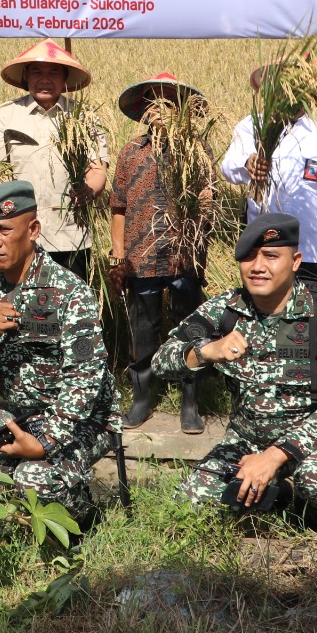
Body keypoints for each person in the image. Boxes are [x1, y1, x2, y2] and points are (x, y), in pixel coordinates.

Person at [154, 213, 317, 522]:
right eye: (249, 257)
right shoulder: (224, 310)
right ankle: (276, 492)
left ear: (295, 261)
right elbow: (160, 362)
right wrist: (205, 352)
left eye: (270, 256)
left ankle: (308, 508)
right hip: (245, 442)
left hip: (313, 447)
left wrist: (274, 457)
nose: (258, 267)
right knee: (188, 506)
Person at [0, 182, 119, 526]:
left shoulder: (67, 290)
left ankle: (83, 518)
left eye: (4, 230)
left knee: (34, 478)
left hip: (87, 419)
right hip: (21, 411)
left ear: (33, 230)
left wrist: (43, 443)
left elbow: (85, 380)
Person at [109, 72, 211, 432]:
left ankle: (189, 400)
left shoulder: (198, 151)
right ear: (144, 112)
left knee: (190, 329)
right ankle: (141, 398)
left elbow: (206, 203)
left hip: (183, 256)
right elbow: (118, 207)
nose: (161, 111)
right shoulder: (131, 152)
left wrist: (197, 247)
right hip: (140, 258)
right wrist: (118, 256)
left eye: (170, 104)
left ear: (183, 112)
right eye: (153, 104)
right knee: (143, 329)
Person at [219, 60, 317, 295]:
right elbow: (228, 168)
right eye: (276, 85)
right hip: (263, 250)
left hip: (313, 251)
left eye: (293, 84)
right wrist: (248, 163)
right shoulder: (252, 125)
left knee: (311, 323)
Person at [0, 40, 108, 282]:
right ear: (26, 76)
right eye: (37, 72)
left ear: (64, 79)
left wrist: (89, 191)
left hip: (71, 233)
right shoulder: (6, 115)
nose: (45, 79)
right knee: (21, 308)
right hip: (20, 235)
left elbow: (97, 169)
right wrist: (11, 207)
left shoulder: (84, 117)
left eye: (53, 73)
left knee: (70, 309)